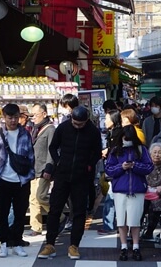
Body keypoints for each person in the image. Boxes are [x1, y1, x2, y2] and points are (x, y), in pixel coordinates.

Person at [38, 105, 102, 261]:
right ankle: (50, 244)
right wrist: (59, 162)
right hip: (62, 175)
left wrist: (88, 165)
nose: (77, 126)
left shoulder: (93, 131)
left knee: (80, 212)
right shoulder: (63, 127)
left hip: (82, 177)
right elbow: (53, 147)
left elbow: (97, 152)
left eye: (80, 124)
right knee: (54, 209)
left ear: (86, 121)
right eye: (74, 122)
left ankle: (74, 245)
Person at [0, 103, 35, 259]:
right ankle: (4, 243)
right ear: (4, 118)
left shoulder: (25, 134)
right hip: (3, 180)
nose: (13, 121)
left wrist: (29, 174)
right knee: (3, 213)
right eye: (10, 117)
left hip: (21, 180)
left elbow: (31, 156)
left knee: (20, 214)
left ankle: (17, 243)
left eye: (15, 117)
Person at [105, 124, 154, 261]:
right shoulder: (115, 151)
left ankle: (136, 246)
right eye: (124, 138)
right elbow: (109, 169)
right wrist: (121, 167)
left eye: (128, 138)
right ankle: (124, 246)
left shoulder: (141, 149)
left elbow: (149, 167)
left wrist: (134, 165)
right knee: (121, 220)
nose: (126, 141)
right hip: (121, 190)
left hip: (137, 189)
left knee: (135, 220)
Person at [26, 102, 55, 237]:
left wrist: (49, 168)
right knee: (33, 199)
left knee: (41, 196)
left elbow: (52, 150)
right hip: (34, 168)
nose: (34, 118)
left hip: (44, 168)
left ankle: (58, 215)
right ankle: (36, 227)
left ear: (44, 114)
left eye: (36, 115)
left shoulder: (50, 129)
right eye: (32, 115)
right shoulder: (35, 128)